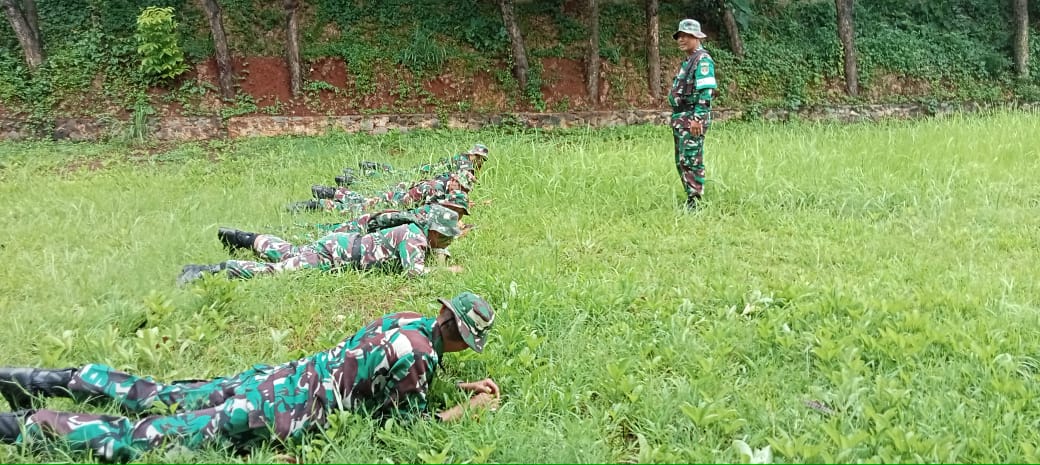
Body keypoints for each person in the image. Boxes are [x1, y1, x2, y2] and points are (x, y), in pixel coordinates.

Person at [0, 292, 499, 463]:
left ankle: (41, 379)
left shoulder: (407, 323)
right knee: (150, 436)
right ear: (461, 338)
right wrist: (469, 408)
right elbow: (406, 426)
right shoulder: (420, 359)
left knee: (163, 394)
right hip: (279, 411)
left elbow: (377, 369)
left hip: (277, 378)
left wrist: (446, 386)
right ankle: (24, 427)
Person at [176, 206, 463, 285]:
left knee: (292, 253)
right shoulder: (414, 237)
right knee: (280, 271)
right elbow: (414, 273)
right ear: (434, 230)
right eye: (445, 237)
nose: (446, 241)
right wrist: (446, 272)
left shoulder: (414, 230)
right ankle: (207, 271)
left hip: (338, 245)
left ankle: (244, 238)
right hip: (334, 256)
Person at [669, 19, 717, 210]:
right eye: (679, 36)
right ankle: (690, 197)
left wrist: (697, 119)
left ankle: (695, 202)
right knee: (682, 160)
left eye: (687, 36)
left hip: (692, 118)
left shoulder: (703, 60)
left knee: (691, 159)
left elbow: (706, 92)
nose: (681, 39)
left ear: (697, 37)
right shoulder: (690, 60)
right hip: (682, 117)